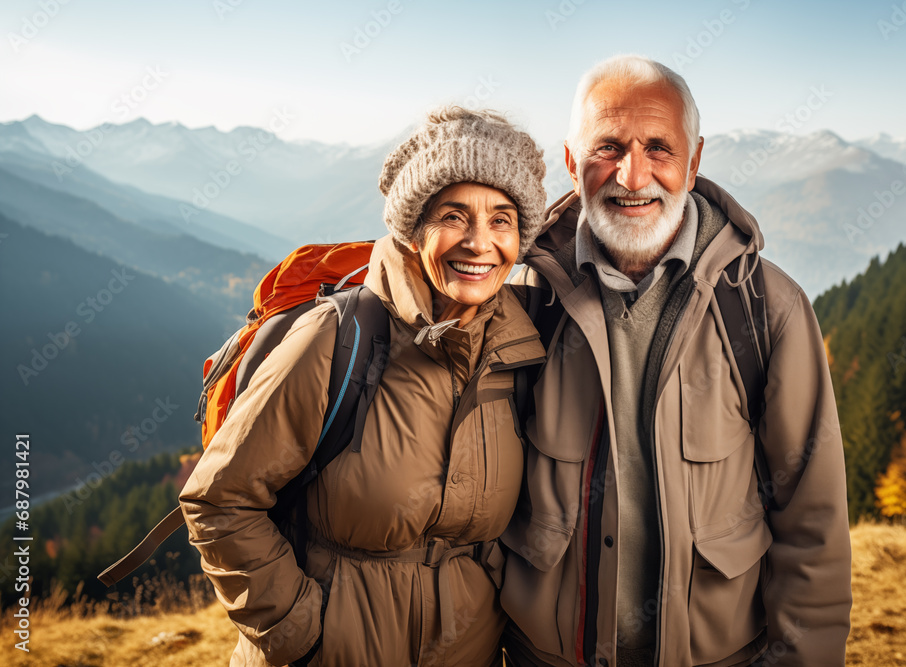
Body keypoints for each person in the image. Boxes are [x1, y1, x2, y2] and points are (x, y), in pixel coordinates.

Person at [500, 55, 852, 666]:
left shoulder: (767, 308)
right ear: (569, 161)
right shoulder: (524, 299)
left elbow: (811, 521)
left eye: (658, 148)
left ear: (693, 162)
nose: (633, 176)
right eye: (607, 146)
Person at [179, 106, 548, 666]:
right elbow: (220, 499)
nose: (479, 242)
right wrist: (297, 631)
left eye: (502, 220)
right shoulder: (335, 338)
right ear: (414, 226)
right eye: (454, 216)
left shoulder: (518, 355)